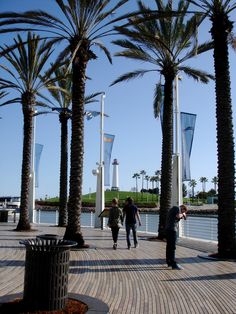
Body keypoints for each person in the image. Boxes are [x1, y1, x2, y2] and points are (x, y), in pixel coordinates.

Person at [165, 204, 188, 270]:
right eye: (184, 211)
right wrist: (183, 214)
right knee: (172, 247)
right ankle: (173, 264)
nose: (183, 212)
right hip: (172, 230)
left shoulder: (174, 209)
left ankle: (169, 262)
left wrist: (183, 215)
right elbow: (178, 216)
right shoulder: (176, 208)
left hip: (168, 229)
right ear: (182, 208)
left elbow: (179, 217)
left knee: (169, 246)